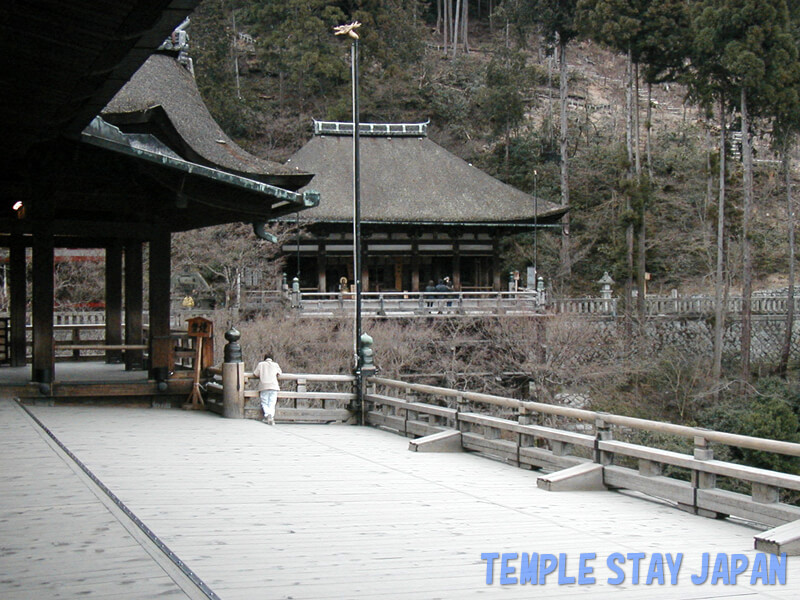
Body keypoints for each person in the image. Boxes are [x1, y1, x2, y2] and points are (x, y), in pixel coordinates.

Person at [253, 355, 282, 425]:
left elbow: (255, 374)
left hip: (264, 386)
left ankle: (267, 414)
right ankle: (271, 416)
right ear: (272, 359)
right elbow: (280, 373)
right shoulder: (275, 365)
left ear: (264, 358)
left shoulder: (261, 364)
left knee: (264, 401)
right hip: (273, 386)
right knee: (272, 402)